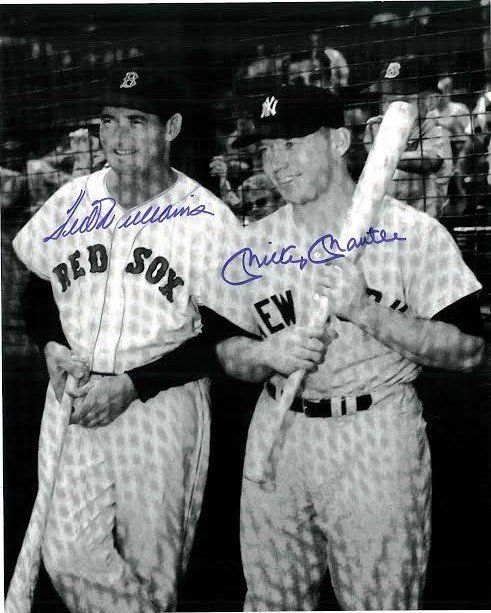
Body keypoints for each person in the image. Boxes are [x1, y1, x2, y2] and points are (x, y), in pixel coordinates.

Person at [12, 64, 328, 612]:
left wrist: (134, 384)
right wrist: (52, 346)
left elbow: (226, 334)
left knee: (153, 569)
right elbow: (38, 287)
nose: (118, 136)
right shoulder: (71, 200)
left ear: (172, 128)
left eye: (137, 121)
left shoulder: (207, 218)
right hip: (74, 395)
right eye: (109, 120)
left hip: (159, 403)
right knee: (65, 555)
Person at [218, 83, 484, 610]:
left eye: (291, 143)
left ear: (339, 142)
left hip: (374, 431)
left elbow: (468, 350)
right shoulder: (250, 244)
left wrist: (366, 311)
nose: (276, 163)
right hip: (279, 428)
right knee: (271, 601)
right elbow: (225, 351)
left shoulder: (414, 233)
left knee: (379, 601)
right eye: (267, 148)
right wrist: (265, 355)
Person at [364, 56, 453, 218]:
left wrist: (379, 154)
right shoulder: (380, 127)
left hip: (422, 226)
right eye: (385, 100)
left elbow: (428, 160)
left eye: (401, 101)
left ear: (431, 102)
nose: (389, 108)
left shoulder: (436, 130)